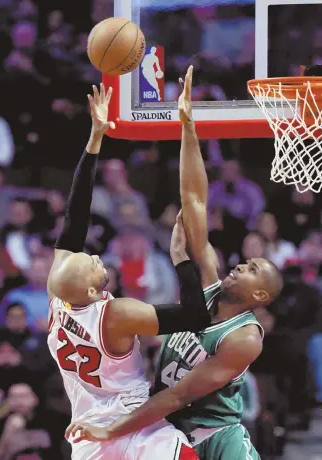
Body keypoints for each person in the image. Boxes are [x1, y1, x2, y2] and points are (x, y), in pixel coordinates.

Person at [67, 68, 284, 460]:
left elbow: (181, 394)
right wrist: (188, 128)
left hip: (216, 432)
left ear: (260, 294)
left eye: (251, 269)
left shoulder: (243, 337)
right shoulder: (210, 281)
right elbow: (195, 202)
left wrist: (108, 430)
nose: (240, 266)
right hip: (165, 426)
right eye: (246, 262)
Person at [48, 83, 211, 460]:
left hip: (89, 436)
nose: (96, 258)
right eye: (92, 264)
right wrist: (181, 259)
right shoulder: (117, 314)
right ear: (90, 292)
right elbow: (196, 317)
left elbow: (74, 219)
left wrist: (95, 140)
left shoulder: (58, 298)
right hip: (135, 424)